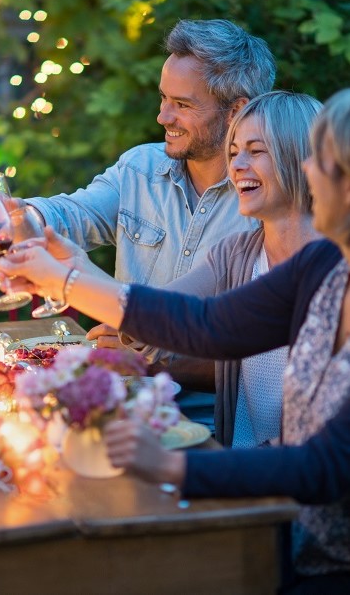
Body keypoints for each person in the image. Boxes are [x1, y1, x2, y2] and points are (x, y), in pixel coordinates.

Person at [0, 89, 350, 592]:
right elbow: (207, 324)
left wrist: (170, 465)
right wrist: (70, 271)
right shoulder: (324, 267)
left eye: (323, 164)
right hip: (285, 529)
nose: (311, 174)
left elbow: (325, 465)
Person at [0, 19, 276, 426]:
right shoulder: (141, 168)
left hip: (209, 430)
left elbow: (259, 366)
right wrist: (20, 213)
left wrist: (150, 359)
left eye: (182, 104)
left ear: (236, 111)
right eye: (163, 98)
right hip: (117, 412)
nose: (163, 116)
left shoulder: (266, 204)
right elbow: (74, 213)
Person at [122, 91, 321, 446]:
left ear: (302, 158)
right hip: (237, 470)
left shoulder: (337, 270)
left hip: (300, 483)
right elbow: (163, 307)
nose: (237, 166)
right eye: (233, 152)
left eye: (256, 151)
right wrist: (131, 326)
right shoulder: (236, 254)